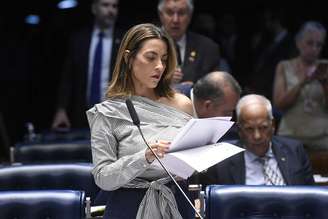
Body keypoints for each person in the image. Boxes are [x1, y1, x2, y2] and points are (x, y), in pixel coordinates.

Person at [87, 23, 195, 219]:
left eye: (164, 59)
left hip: (176, 203)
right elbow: (103, 178)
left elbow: (193, 162)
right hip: (128, 208)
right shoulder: (108, 112)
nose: (159, 67)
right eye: (151, 58)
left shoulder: (183, 104)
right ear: (128, 58)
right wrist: (144, 157)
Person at [202, 94, 314, 186]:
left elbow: (310, 196)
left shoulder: (294, 151)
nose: (257, 136)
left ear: (273, 125)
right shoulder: (221, 161)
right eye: (249, 129)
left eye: (263, 127)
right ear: (240, 130)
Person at [52, 0, 124, 130]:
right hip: (82, 114)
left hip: (114, 115)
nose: (111, 11)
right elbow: (68, 77)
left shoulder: (124, 40)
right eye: (105, 5)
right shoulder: (79, 39)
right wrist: (61, 109)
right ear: (94, 8)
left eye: (115, 6)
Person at [273, 21, 328, 151]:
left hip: (322, 137)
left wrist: (324, 83)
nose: (314, 49)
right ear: (298, 43)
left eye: (319, 45)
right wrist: (303, 82)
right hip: (290, 136)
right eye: (310, 43)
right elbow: (279, 104)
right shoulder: (284, 66)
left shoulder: (326, 67)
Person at [157, 0, 221, 87]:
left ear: (190, 16)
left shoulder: (208, 48)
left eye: (181, 13)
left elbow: (215, 88)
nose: (175, 20)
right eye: (169, 13)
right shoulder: (144, 43)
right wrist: (162, 80)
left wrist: (194, 89)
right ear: (161, 15)